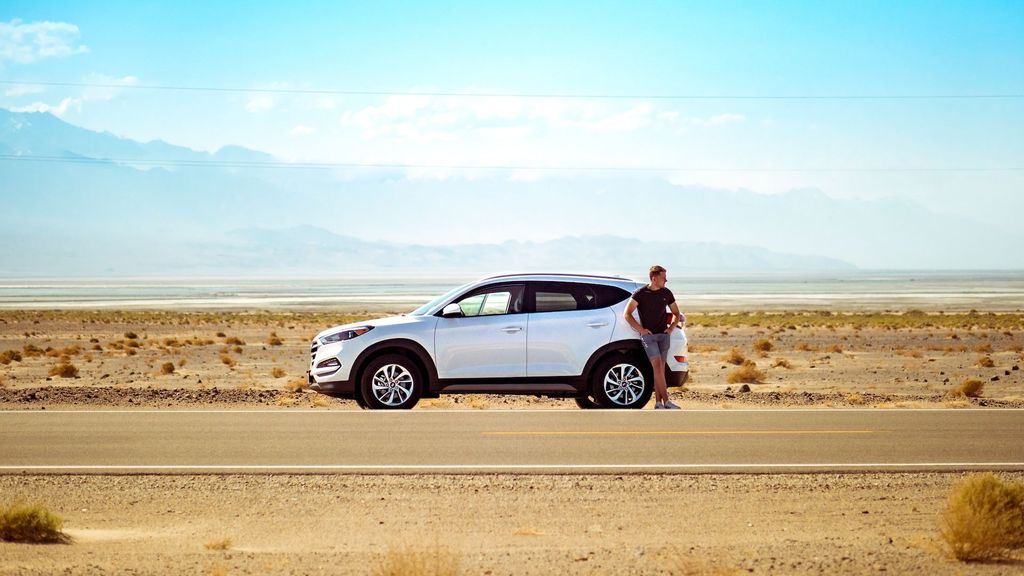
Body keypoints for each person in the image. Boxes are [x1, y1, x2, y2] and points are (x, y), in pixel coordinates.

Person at [623, 265, 684, 409]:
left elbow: (676, 313)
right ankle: (667, 402)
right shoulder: (640, 293)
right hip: (649, 338)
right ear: (654, 278)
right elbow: (627, 313)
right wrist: (641, 330)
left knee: (660, 370)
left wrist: (670, 329)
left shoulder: (667, 293)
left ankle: (658, 403)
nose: (666, 281)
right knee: (657, 367)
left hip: (663, 336)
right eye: (664, 278)